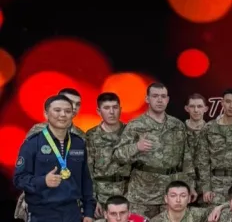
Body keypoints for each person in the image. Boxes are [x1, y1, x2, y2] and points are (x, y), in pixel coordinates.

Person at [113, 82, 197, 218]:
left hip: (170, 195)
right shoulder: (136, 125)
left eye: (163, 96)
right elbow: (117, 156)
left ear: (168, 100)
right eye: (155, 96)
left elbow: (186, 158)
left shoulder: (177, 125)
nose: (159, 100)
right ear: (147, 99)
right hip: (142, 195)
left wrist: (190, 185)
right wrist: (136, 147)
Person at [13, 94, 96, 221]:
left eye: (68, 111)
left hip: (72, 213)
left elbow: (86, 181)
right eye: (57, 110)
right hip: (42, 213)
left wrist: (89, 213)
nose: (63, 114)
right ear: (46, 114)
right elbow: (19, 179)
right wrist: (43, 181)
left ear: (72, 115)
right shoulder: (32, 143)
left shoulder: (78, 143)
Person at [198, 89, 232, 205]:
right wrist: (206, 188)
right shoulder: (209, 128)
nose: (231, 106)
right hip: (215, 185)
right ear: (222, 103)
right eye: (228, 101)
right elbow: (203, 160)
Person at [87, 92, 131, 217]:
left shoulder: (130, 132)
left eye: (115, 107)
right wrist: (92, 200)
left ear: (120, 109)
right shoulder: (91, 135)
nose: (111, 112)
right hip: (102, 197)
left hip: (128, 194)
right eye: (106, 108)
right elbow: (88, 171)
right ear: (98, 111)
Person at [149, 181, 213, 221]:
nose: (178, 200)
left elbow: (216, 213)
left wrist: (218, 208)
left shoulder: (200, 214)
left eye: (183, 196)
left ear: (189, 199)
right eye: (173, 196)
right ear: (166, 199)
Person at [185, 93, 209, 204]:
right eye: (192, 106)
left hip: (206, 186)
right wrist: (188, 184)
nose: (196, 110)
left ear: (205, 109)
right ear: (186, 108)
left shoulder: (212, 131)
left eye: (199, 106)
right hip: (183, 185)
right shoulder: (178, 130)